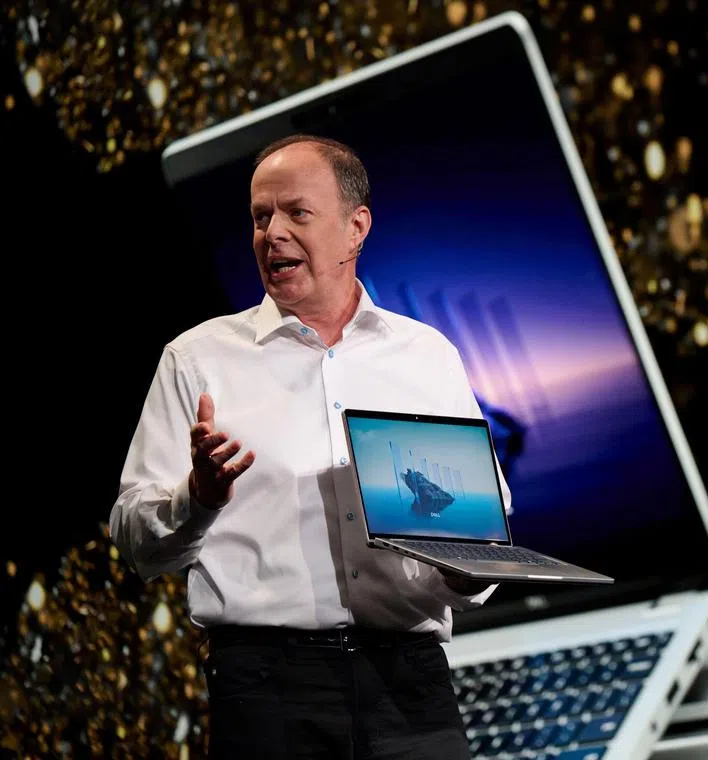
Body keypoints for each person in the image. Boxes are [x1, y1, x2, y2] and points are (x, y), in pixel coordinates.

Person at [110, 134, 509, 760]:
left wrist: (468, 564)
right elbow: (136, 541)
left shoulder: (426, 355)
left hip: (413, 688)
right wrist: (198, 498)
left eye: (296, 212)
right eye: (260, 217)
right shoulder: (198, 359)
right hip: (268, 694)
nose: (273, 233)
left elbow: (485, 524)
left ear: (356, 228)